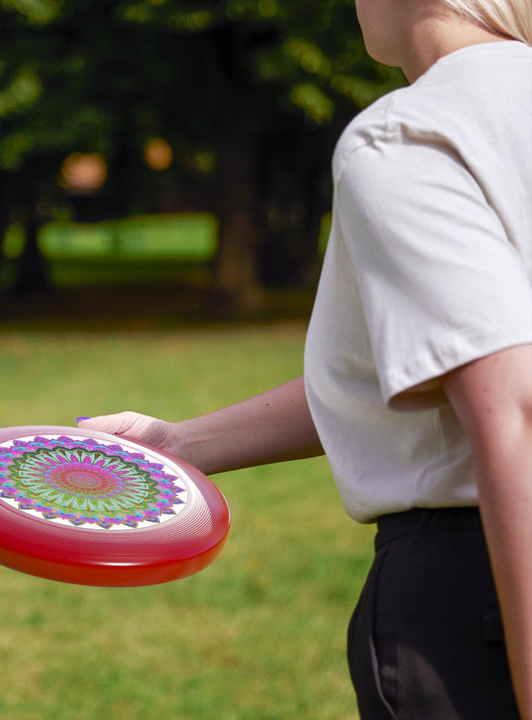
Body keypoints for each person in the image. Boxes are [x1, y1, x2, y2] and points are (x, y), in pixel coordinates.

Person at [76, 1, 532, 717]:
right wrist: (179, 444)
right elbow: (420, 370)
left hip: (481, 595)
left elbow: (514, 408)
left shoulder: (412, 135)